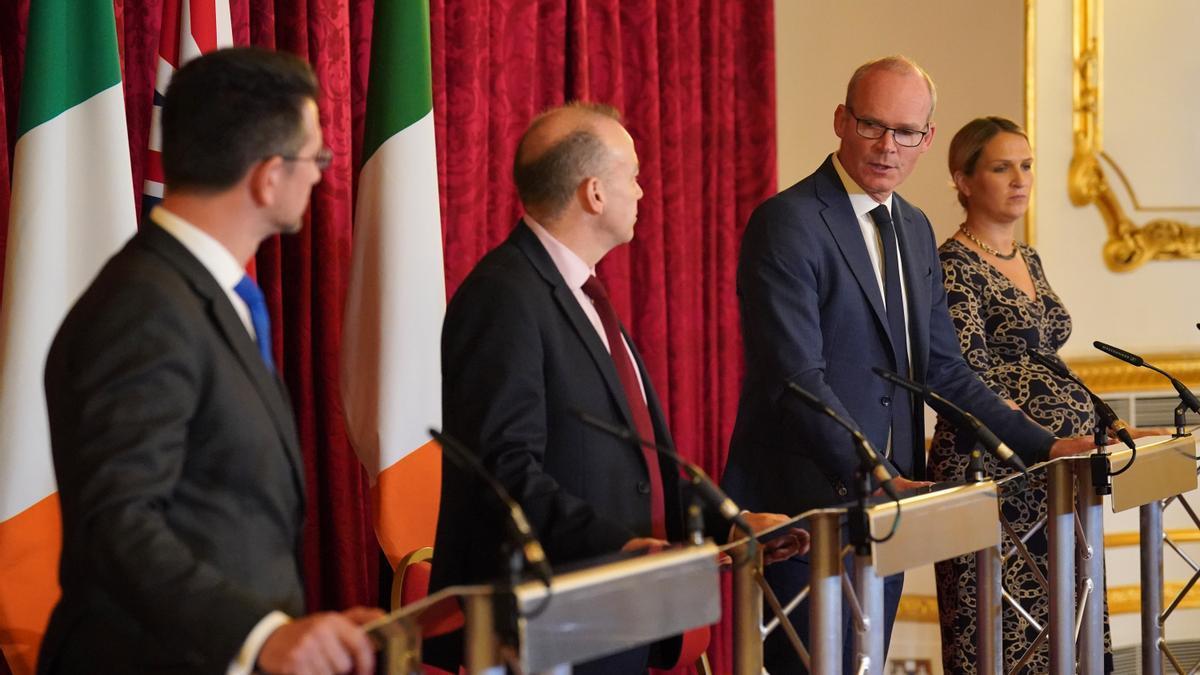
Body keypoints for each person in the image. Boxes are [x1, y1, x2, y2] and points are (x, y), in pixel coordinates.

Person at [720, 57, 1098, 674]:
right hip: (804, 507)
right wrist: (872, 471)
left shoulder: (914, 228)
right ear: (841, 121)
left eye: (908, 133)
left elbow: (944, 372)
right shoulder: (788, 222)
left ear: (927, 137)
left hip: (890, 505)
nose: (889, 147)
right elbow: (796, 377)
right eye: (873, 126)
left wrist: (1047, 447)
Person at [428, 102, 807, 673]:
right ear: (595, 193)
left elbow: (643, 470)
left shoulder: (581, 293)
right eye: (632, 174)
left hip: (611, 612)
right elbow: (503, 471)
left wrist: (732, 520)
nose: (643, 191)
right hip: (547, 620)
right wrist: (618, 545)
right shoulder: (504, 296)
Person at [38, 48, 381, 675]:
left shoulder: (204, 296)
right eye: (316, 159)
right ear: (267, 176)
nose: (320, 176)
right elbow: (116, 523)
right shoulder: (143, 307)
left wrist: (295, 631)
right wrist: (259, 635)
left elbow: (223, 517)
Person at [928, 116, 1160, 673]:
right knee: (1004, 633)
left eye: (1026, 165)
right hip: (999, 471)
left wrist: (1104, 425)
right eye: (1001, 167)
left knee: (1069, 621)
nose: (1020, 180)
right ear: (963, 180)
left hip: (1062, 474)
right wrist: (1043, 438)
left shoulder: (1028, 257)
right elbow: (968, 376)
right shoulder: (951, 265)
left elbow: (1046, 363)